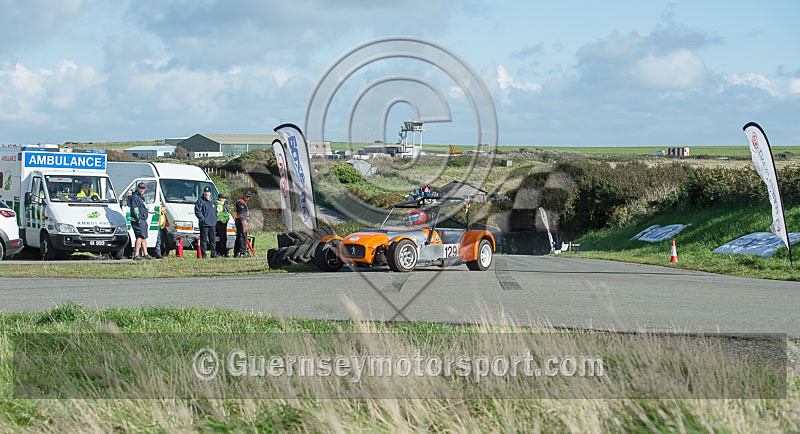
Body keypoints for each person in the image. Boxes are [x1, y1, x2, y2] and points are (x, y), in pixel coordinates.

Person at [129, 182, 151, 260]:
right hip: (138, 220)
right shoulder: (135, 197)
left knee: (144, 237)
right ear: (137, 188)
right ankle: (136, 254)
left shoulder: (140, 197)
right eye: (140, 188)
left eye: (143, 188)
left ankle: (146, 254)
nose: (142, 190)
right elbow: (134, 209)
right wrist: (138, 219)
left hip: (143, 219)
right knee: (140, 236)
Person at [194, 186, 218, 258]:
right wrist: (202, 219)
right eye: (205, 192)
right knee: (203, 240)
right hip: (204, 224)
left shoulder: (214, 201)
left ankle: (213, 254)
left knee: (213, 240)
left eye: (207, 192)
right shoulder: (201, 201)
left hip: (212, 223)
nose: (206, 193)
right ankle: (203, 254)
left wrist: (215, 218)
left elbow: (216, 211)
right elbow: (197, 211)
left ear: (210, 193)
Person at [234, 191, 251, 257]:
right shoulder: (241, 202)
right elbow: (242, 214)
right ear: (243, 195)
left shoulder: (244, 203)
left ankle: (236, 252)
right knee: (243, 236)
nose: (247, 198)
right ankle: (242, 252)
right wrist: (244, 223)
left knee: (239, 236)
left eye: (249, 197)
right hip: (241, 221)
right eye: (246, 196)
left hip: (241, 221)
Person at [215, 193, 231, 257]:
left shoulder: (223, 204)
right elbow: (218, 214)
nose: (223, 199)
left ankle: (222, 252)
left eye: (224, 198)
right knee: (222, 238)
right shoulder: (218, 204)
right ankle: (221, 252)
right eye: (222, 198)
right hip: (220, 223)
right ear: (219, 198)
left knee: (223, 238)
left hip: (223, 222)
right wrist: (224, 220)